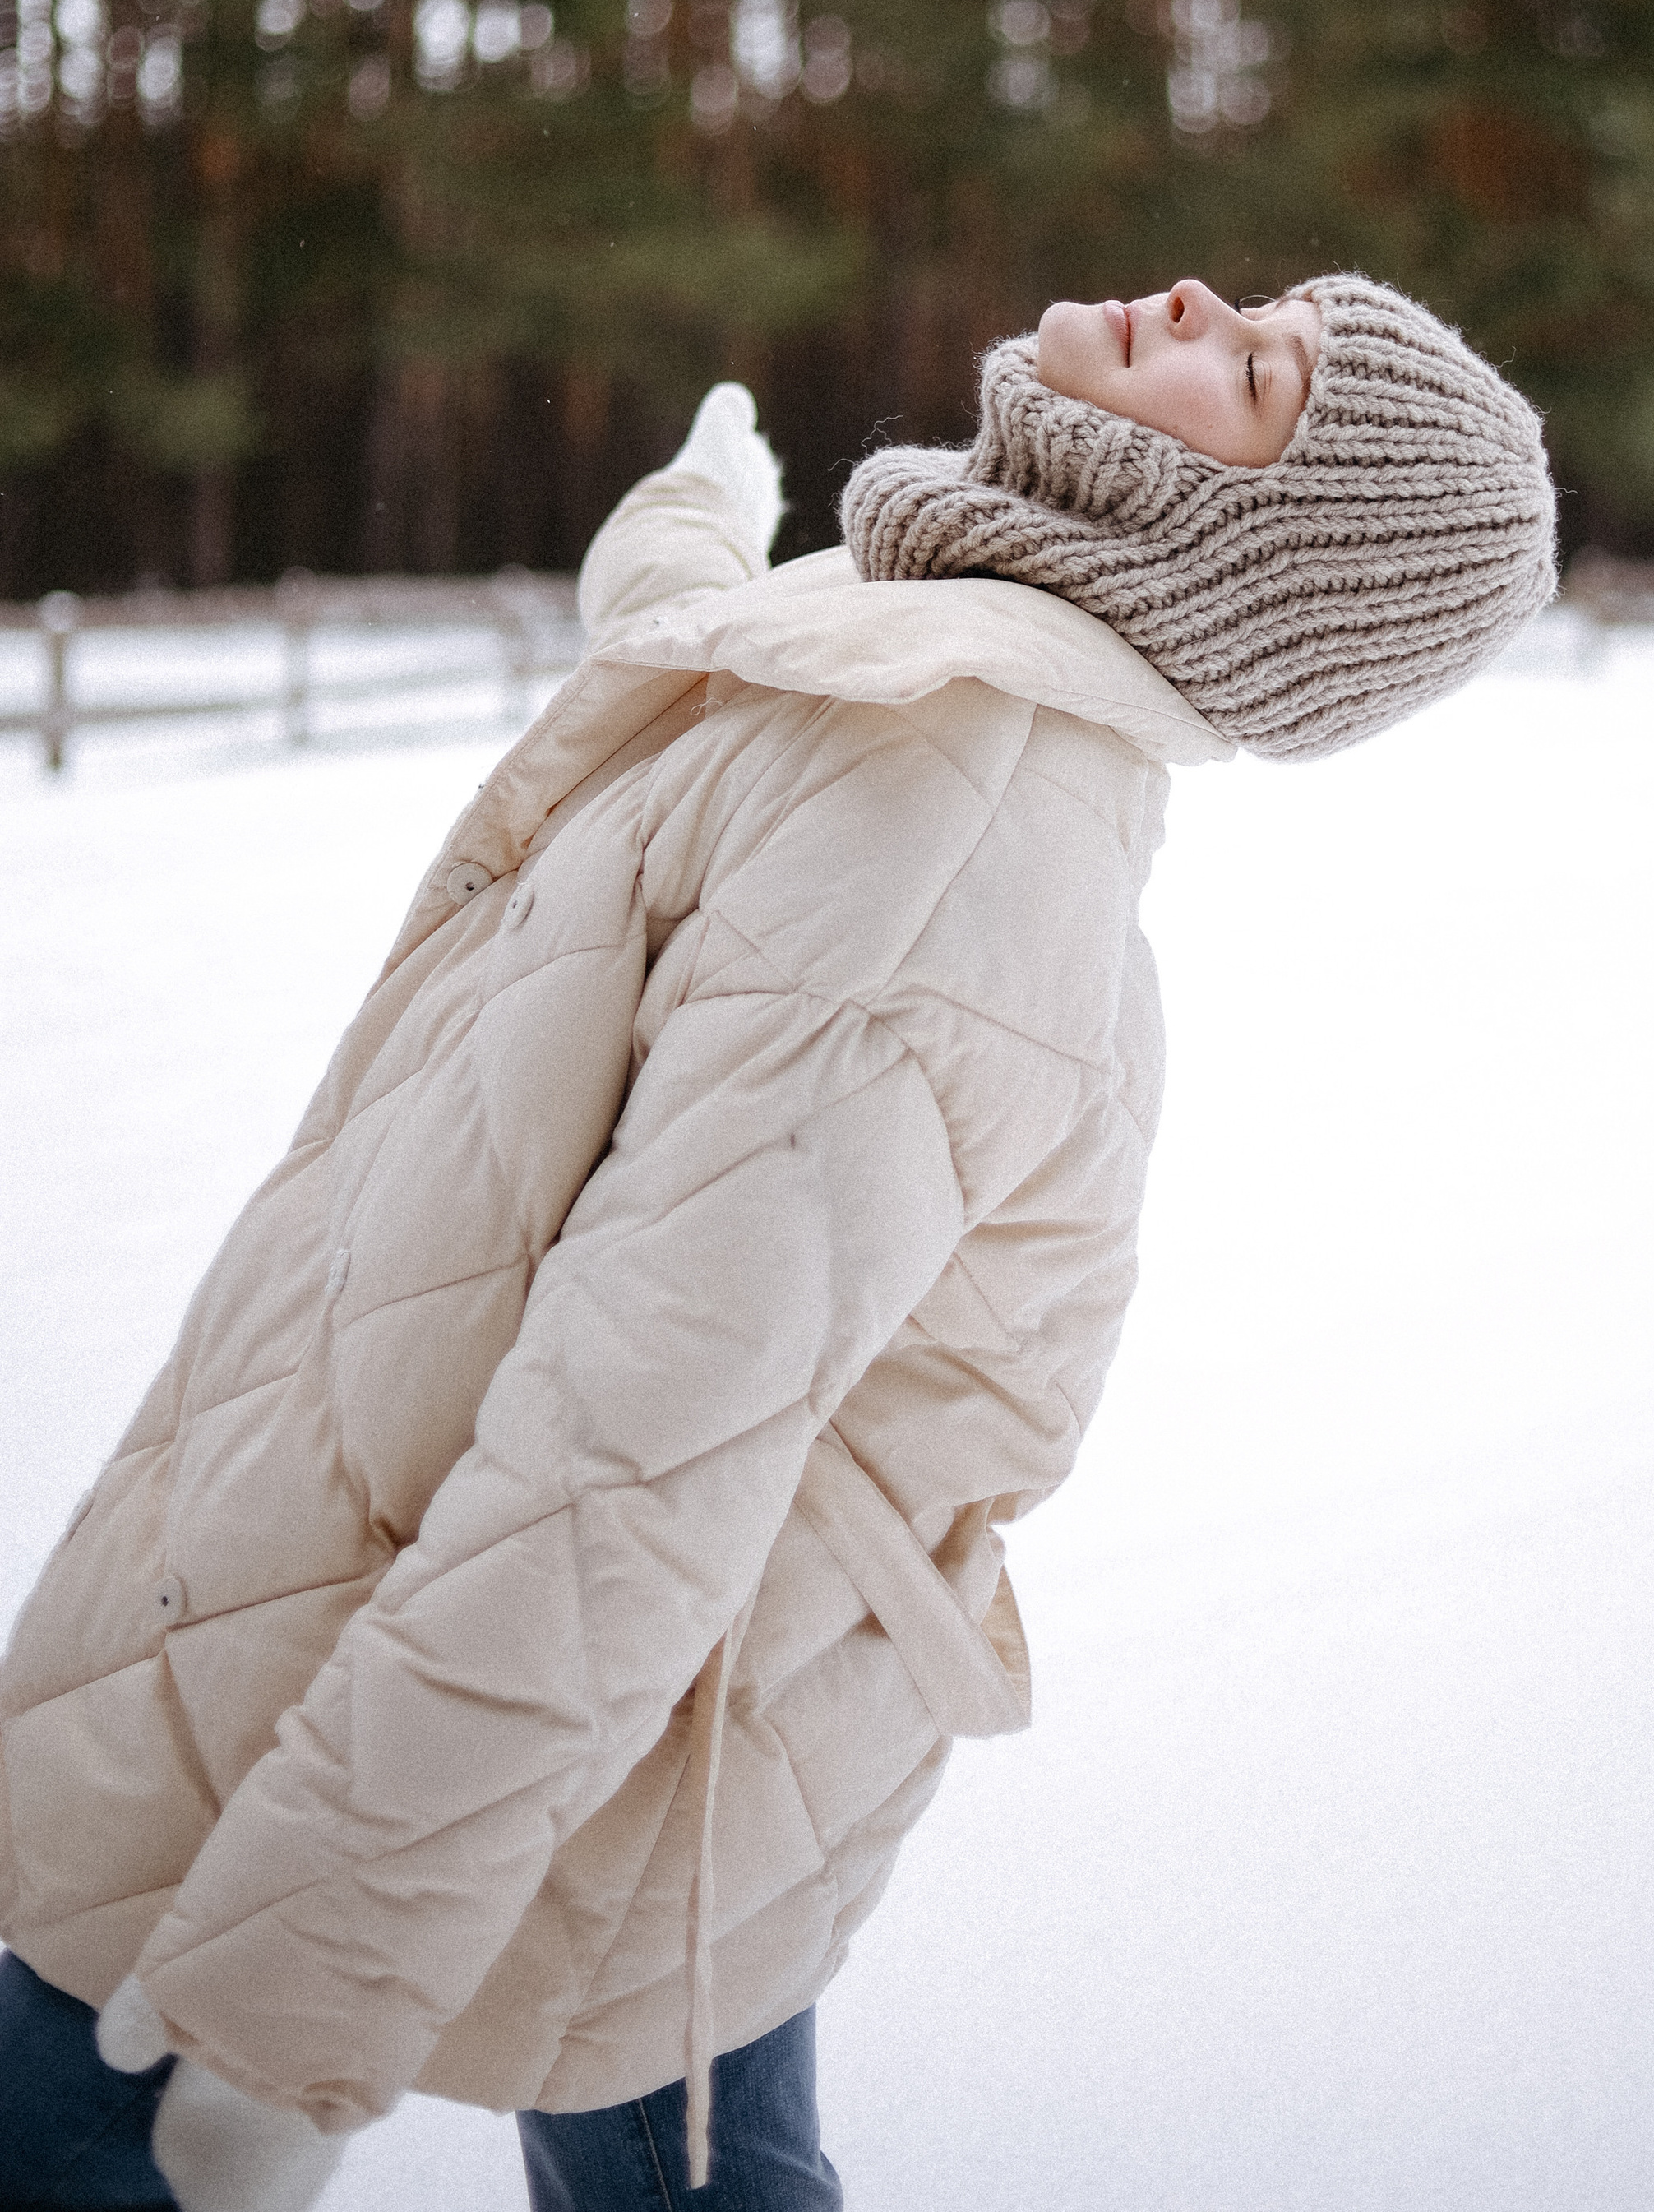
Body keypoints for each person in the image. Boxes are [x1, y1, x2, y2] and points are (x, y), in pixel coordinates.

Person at [0, 273, 1556, 2212]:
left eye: (1255, 373)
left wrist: (289, 2029)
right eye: (1265, 309)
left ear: (1241, 556)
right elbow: (727, 668)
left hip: (507, 1663)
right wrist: (686, 525)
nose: (1196, 301)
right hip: (586, 1685)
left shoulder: (955, 801)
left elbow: (632, 1462)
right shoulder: (937, 661)